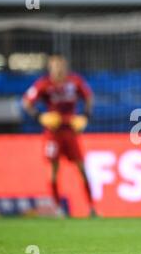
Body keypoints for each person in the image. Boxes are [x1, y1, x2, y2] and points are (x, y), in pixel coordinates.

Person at [22, 55, 96, 217]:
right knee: (53, 170)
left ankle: (91, 207)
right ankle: (57, 208)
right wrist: (39, 116)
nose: (59, 69)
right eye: (55, 66)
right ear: (50, 68)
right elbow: (27, 101)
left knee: (82, 169)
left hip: (70, 131)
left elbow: (89, 97)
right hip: (53, 133)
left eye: (61, 66)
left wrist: (85, 116)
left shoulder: (75, 82)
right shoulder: (44, 84)